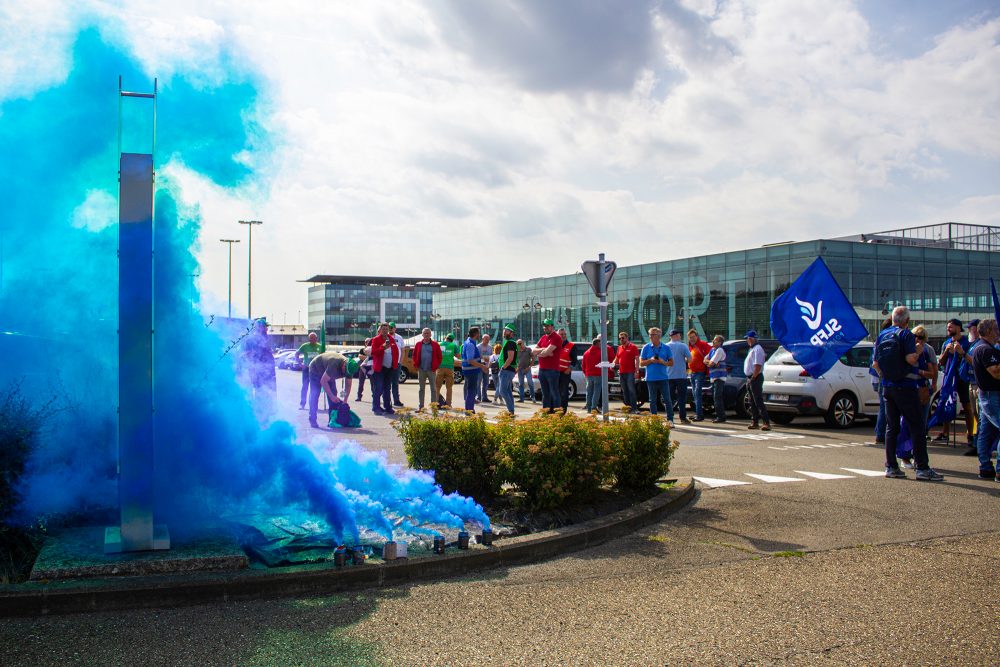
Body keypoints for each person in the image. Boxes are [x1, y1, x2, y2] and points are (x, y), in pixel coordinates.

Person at [873, 306, 943, 481]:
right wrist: (918, 351)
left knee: (892, 427)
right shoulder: (906, 335)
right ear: (907, 321)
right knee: (917, 425)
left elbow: (875, 363)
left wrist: (886, 376)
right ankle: (922, 467)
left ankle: (891, 466)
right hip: (906, 385)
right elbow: (912, 359)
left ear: (892, 318)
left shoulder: (882, 335)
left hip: (888, 386)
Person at [934, 318, 979, 455]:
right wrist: (946, 351)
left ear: (959, 328)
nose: (949, 329)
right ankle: (945, 432)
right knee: (947, 402)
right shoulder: (947, 343)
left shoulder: (967, 342)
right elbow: (940, 362)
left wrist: (960, 352)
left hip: (962, 377)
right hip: (949, 377)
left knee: (967, 406)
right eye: (948, 327)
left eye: (951, 327)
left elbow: (970, 359)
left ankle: (971, 434)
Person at [970, 318, 1000, 481]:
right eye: (996, 329)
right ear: (989, 331)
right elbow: (996, 372)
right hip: (991, 395)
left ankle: (985, 467)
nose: (998, 332)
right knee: (987, 431)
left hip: (988, 394)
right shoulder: (985, 349)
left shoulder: (985, 347)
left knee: (986, 432)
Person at [903, 325, 937, 468]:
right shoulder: (906, 348)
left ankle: (918, 458)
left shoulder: (928, 350)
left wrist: (932, 384)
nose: (918, 340)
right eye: (916, 336)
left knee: (921, 426)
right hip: (908, 389)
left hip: (922, 389)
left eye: (922, 337)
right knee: (906, 424)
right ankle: (905, 456)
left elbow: (933, 371)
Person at [307, 351, 358, 428]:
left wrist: (345, 400)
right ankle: (312, 419)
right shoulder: (334, 364)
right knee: (315, 394)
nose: (345, 374)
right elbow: (323, 381)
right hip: (316, 369)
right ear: (344, 365)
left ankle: (332, 420)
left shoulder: (350, 367)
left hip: (328, 373)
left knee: (334, 394)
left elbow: (348, 384)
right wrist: (332, 396)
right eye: (345, 372)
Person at [241, 318, 277, 420]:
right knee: (259, 391)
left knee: (270, 392)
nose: (266, 328)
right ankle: (258, 414)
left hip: (269, 370)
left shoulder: (267, 339)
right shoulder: (251, 339)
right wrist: (252, 367)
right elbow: (246, 354)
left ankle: (268, 413)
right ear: (258, 327)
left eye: (266, 327)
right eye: (263, 326)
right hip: (257, 370)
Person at [639, 327, 673, 419]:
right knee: (652, 400)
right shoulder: (646, 347)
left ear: (658, 336)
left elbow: (671, 363)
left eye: (652, 335)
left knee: (667, 400)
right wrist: (650, 360)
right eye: (649, 335)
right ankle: (654, 419)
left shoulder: (666, 348)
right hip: (651, 378)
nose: (650, 337)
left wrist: (662, 362)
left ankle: (670, 419)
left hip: (663, 378)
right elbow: (641, 363)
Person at [532, 319, 563, 413]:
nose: (545, 327)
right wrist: (544, 350)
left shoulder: (556, 338)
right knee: (545, 394)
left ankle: (557, 414)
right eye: (544, 326)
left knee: (554, 393)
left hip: (552, 370)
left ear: (552, 327)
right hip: (542, 370)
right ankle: (546, 413)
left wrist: (541, 352)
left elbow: (545, 353)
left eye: (547, 326)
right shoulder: (543, 338)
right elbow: (533, 351)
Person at [744, 330, 770, 431]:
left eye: (749, 339)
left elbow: (758, 365)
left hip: (755, 377)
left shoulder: (758, 349)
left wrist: (753, 377)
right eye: (747, 339)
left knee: (758, 400)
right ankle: (755, 421)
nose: (748, 340)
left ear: (752, 339)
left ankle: (766, 422)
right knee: (752, 401)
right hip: (750, 377)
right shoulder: (752, 349)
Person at [370, 322, 399, 416]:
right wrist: (382, 347)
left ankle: (388, 407)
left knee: (387, 388)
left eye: (387, 329)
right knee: (378, 388)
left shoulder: (391, 339)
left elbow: (396, 352)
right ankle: (376, 407)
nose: (385, 331)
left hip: (390, 368)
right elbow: (373, 352)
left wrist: (395, 364)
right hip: (380, 368)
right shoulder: (375, 339)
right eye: (383, 329)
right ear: (380, 330)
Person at [411, 327, 442, 410]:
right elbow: (414, 355)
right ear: (422, 334)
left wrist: (436, 366)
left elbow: (440, 356)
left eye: (428, 333)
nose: (426, 335)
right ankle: (421, 406)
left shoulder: (435, 344)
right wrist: (415, 364)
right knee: (421, 389)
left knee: (433, 389)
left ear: (431, 334)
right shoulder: (418, 344)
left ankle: (433, 407)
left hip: (431, 370)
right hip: (421, 370)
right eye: (425, 333)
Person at [665, 329, 692, 423]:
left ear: (670, 336)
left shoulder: (666, 346)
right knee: (682, 398)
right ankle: (683, 418)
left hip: (668, 375)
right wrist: (682, 360)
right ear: (678, 335)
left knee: (669, 398)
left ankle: (669, 418)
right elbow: (690, 359)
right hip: (681, 375)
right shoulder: (683, 345)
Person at [583, 336, 614, 412]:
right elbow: (606, 362)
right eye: (600, 344)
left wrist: (586, 373)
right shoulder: (601, 353)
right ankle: (593, 407)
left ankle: (588, 408)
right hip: (598, 374)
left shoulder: (586, 353)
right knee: (596, 391)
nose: (601, 345)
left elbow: (583, 365)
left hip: (588, 375)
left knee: (589, 391)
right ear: (597, 344)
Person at [295, 332, 325, 410]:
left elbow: (323, 357)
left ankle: (314, 405)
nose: (312, 340)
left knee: (314, 388)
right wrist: (299, 363)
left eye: (314, 338)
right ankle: (302, 404)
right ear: (309, 339)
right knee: (305, 386)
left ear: (316, 338)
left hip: (316, 370)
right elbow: (296, 353)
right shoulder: (305, 346)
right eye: (310, 338)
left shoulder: (320, 347)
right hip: (306, 369)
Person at [462, 327, 489, 412]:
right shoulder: (470, 344)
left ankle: (469, 408)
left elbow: (473, 356)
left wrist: (483, 357)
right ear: (476, 334)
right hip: (471, 371)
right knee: (471, 390)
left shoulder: (469, 343)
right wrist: (482, 366)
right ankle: (469, 409)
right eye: (479, 333)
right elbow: (470, 360)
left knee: (471, 390)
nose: (479, 335)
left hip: (469, 370)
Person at [687, 330, 712, 422]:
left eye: (693, 337)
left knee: (697, 393)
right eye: (690, 337)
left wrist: (708, 362)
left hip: (700, 372)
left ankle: (699, 415)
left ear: (697, 336)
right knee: (695, 394)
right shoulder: (691, 346)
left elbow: (712, 352)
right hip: (692, 372)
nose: (691, 339)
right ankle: (698, 413)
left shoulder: (702, 344)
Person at [496, 324, 518, 414]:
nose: (504, 332)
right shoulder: (509, 342)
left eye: (507, 331)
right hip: (508, 370)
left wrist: (503, 367)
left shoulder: (510, 343)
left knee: (503, 391)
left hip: (507, 370)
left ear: (512, 333)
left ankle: (510, 411)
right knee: (508, 391)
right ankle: (511, 410)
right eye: (504, 330)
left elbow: (510, 358)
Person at [616, 332, 640, 413]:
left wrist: (637, 371)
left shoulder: (633, 347)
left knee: (631, 390)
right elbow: (617, 358)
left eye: (623, 338)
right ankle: (628, 408)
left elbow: (637, 360)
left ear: (627, 338)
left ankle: (634, 408)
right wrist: (612, 365)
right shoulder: (619, 348)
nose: (621, 340)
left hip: (630, 372)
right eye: (620, 338)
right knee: (625, 390)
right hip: (621, 372)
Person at [706, 335, 727, 423]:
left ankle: (721, 416)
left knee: (717, 397)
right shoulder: (712, 350)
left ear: (720, 342)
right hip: (714, 377)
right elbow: (705, 360)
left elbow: (711, 363)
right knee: (715, 397)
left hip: (719, 377)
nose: (713, 342)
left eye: (715, 341)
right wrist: (710, 362)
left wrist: (711, 363)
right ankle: (719, 415)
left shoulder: (719, 350)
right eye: (713, 340)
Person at [436, 333, 460, 407]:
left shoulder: (439, 344)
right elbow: (458, 356)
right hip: (449, 368)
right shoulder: (453, 345)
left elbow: (435, 354)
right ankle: (448, 404)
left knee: (437, 386)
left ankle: (436, 403)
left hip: (440, 367)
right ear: (452, 340)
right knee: (449, 387)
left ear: (445, 338)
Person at [557, 327, 578, 413]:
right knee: (555, 392)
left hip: (565, 373)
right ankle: (555, 410)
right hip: (555, 373)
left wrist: (569, 369)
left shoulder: (571, 346)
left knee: (564, 393)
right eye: (561, 334)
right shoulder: (555, 345)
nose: (563, 336)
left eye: (564, 334)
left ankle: (563, 411)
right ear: (558, 335)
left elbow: (574, 361)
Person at [388, 322, 406, 408]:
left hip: (397, 364)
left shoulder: (399, 338)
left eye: (392, 327)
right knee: (386, 383)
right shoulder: (385, 337)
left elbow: (402, 351)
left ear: (395, 328)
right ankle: (387, 401)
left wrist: (400, 362)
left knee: (395, 383)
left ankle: (396, 400)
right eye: (389, 327)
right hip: (387, 364)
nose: (390, 329)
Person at [516, 339, 535, 403]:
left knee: (530, 383)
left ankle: (533, 397)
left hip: (527, 368)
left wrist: (530, 367)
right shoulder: (517, 351)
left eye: (520, 343)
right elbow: (515, 360)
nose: (519, 345)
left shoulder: (528, 349)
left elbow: (533, 357)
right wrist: (517, 367)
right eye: (518, 344)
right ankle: (522, 399)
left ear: (523, 343)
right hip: (520, 369)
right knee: (521, 384)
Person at [355, 337, 373, 402]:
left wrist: (365, 358)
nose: (367, 343)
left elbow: (371, 358)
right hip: (362, 369)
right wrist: (368, 358)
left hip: (371, 368)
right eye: (366, 342)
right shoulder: (362, 350)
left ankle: (374, 396)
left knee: (373, 383)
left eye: (368, 341)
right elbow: (360, 356)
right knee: (361, 383)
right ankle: (359, 396)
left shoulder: (372, 349)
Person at [477, 333, 493, 403]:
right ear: (482, 339)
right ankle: (478, 397)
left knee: (486, 383)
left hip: (487, 367)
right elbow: (478, 357)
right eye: (486, 339)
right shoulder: (478, 347)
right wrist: (484, 359)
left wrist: (487, 364)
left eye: (488, 339)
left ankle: (485, 397)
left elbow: (491, 356)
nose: (487, 340)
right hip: (480, 367)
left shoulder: (490, 347)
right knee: (478, 382)